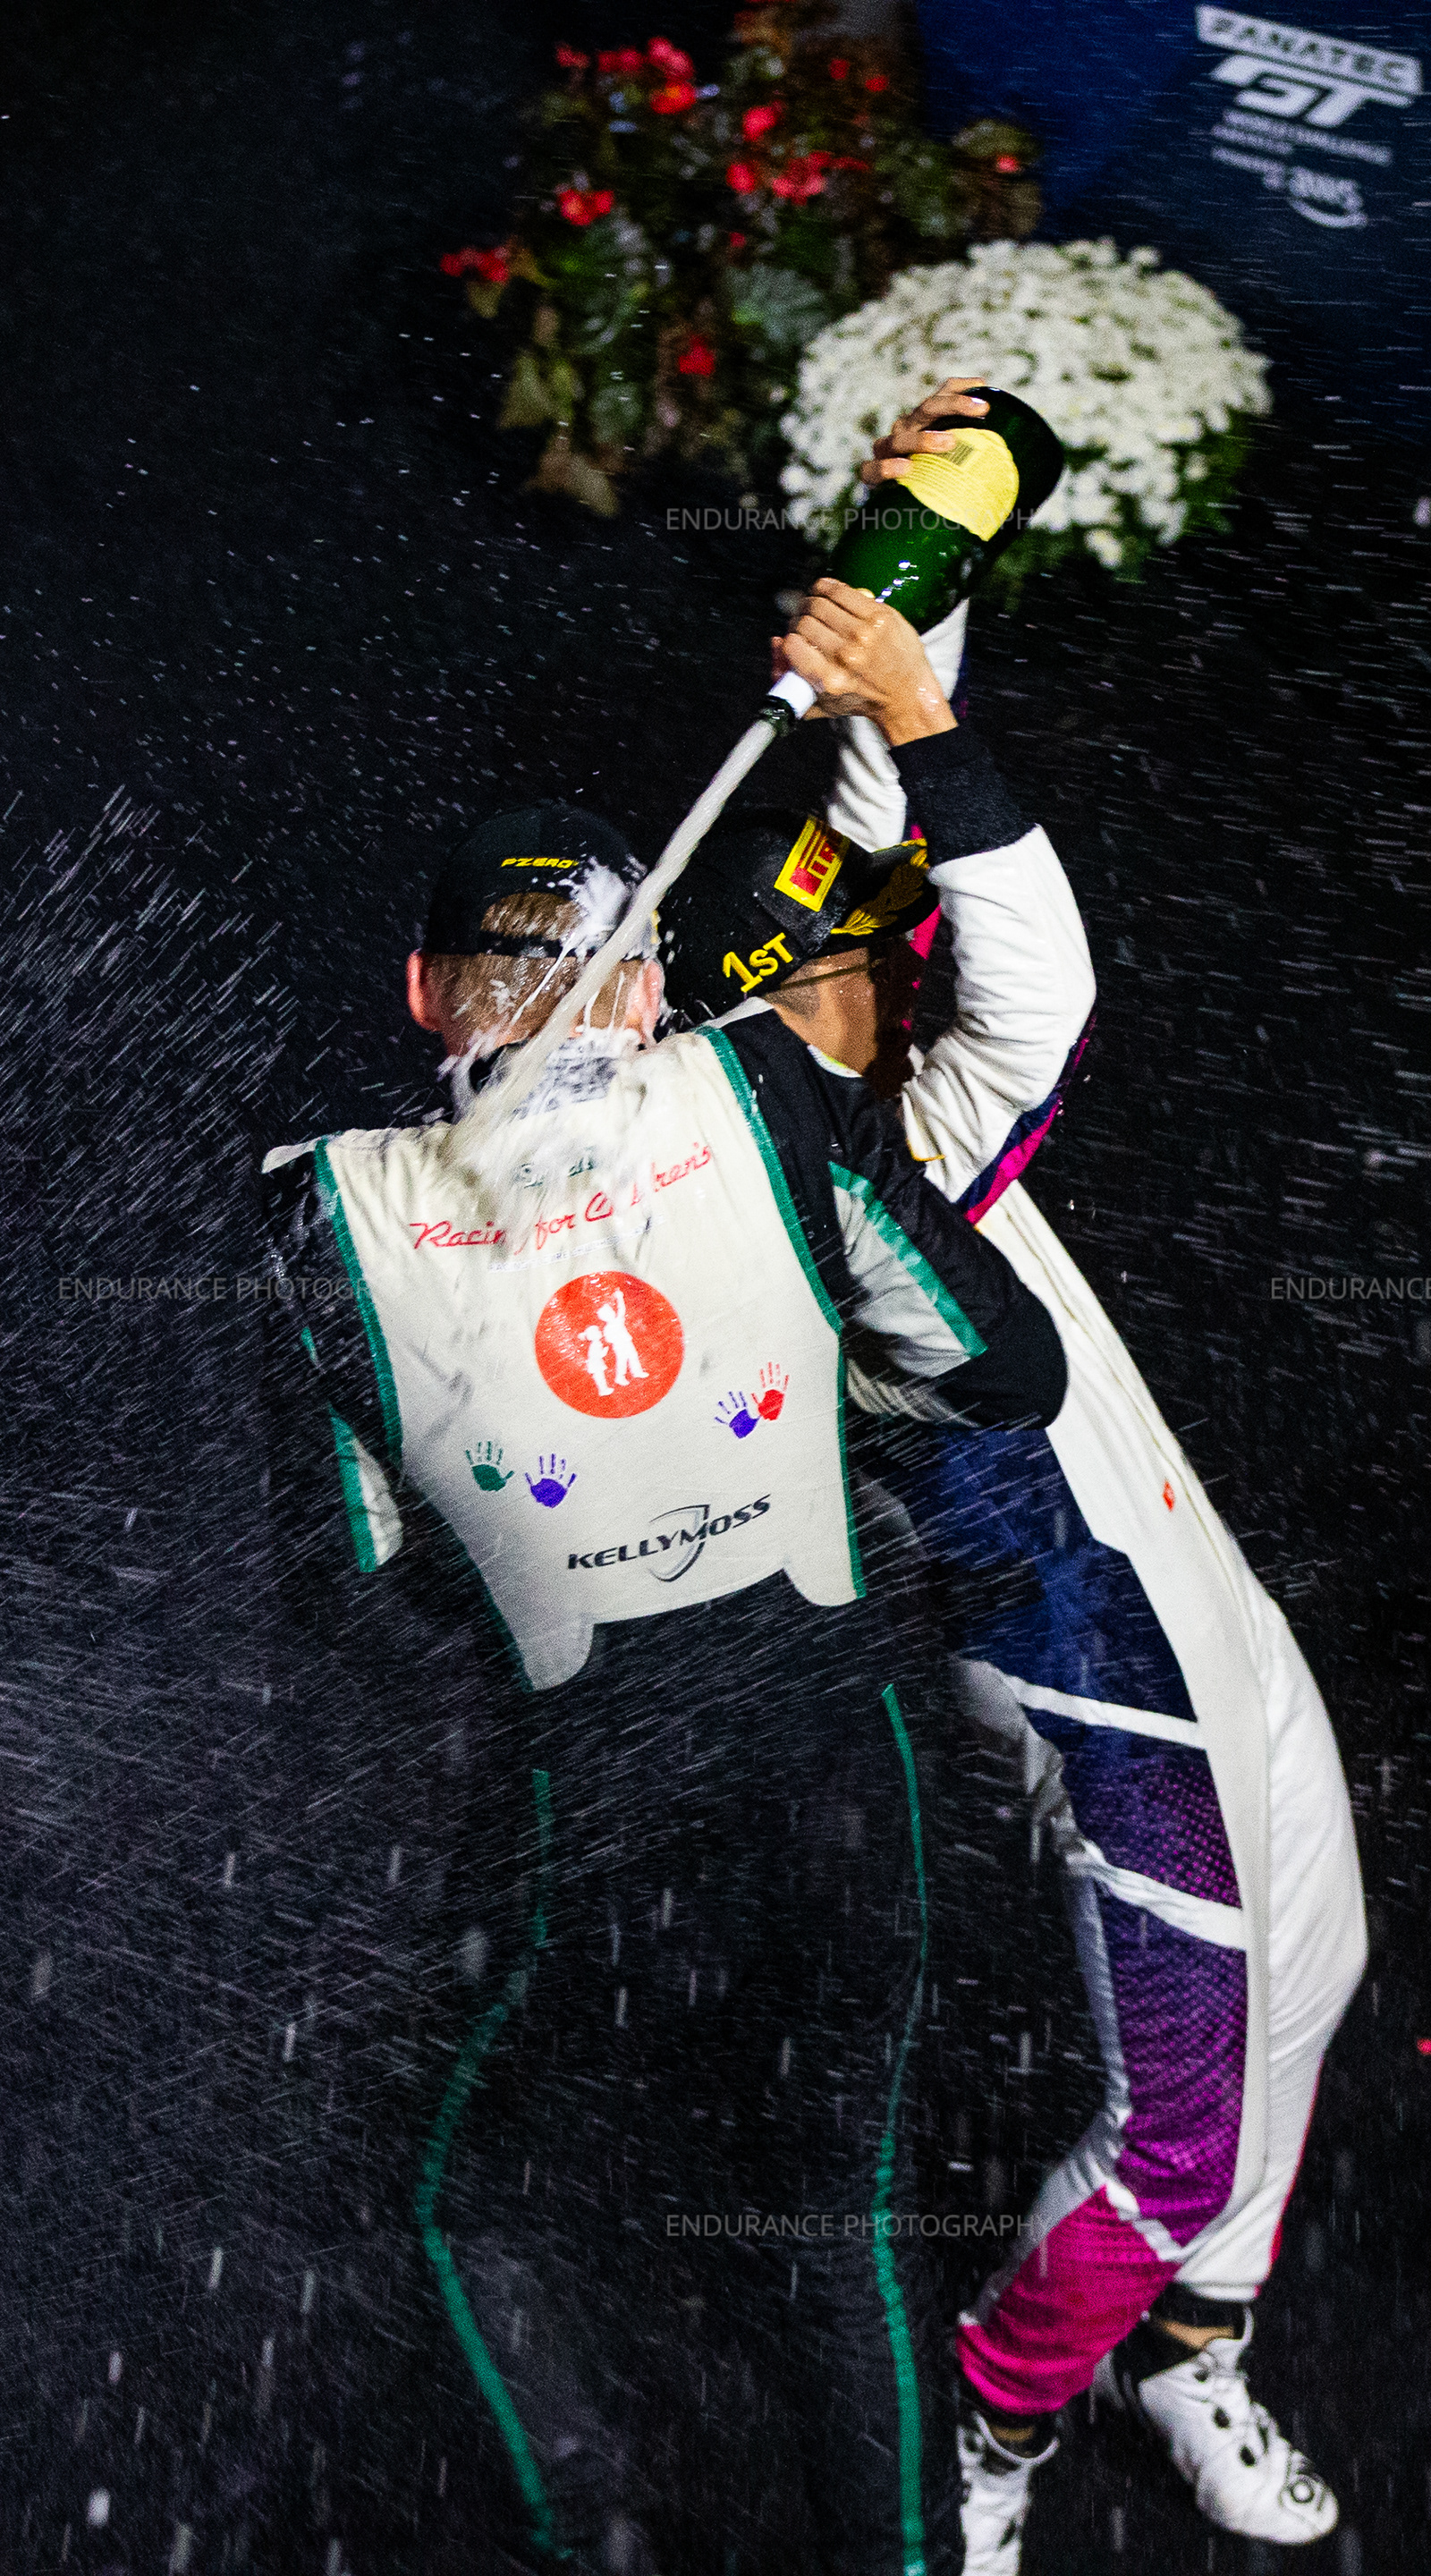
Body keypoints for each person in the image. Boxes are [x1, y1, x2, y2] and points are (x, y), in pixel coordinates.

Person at [659, 379, 1367, 2572]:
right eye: (850, 967)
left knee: (1319, 1974)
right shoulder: (844, 1186)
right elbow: (1034, 970)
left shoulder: (852, 1091)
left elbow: (894, 822)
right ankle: (989, 2426)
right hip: (1095, 1684)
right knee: (1179, 2130)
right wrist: (913, 709)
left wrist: (919, 584)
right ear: (785, 1025)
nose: (894, 960)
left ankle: (1195, 2352)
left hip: (1202, 1600)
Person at [258, 796, 1067, 2572]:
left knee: (463, 2199)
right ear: (642, 995)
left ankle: (592, 2535)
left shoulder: (316, 1219)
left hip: (593, 1808)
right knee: (835, 2213)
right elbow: (1008, 1370)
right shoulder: (765, 1092)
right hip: (842, 1764)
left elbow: (358, 1576)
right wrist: (815, 1366)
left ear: (423, 994)